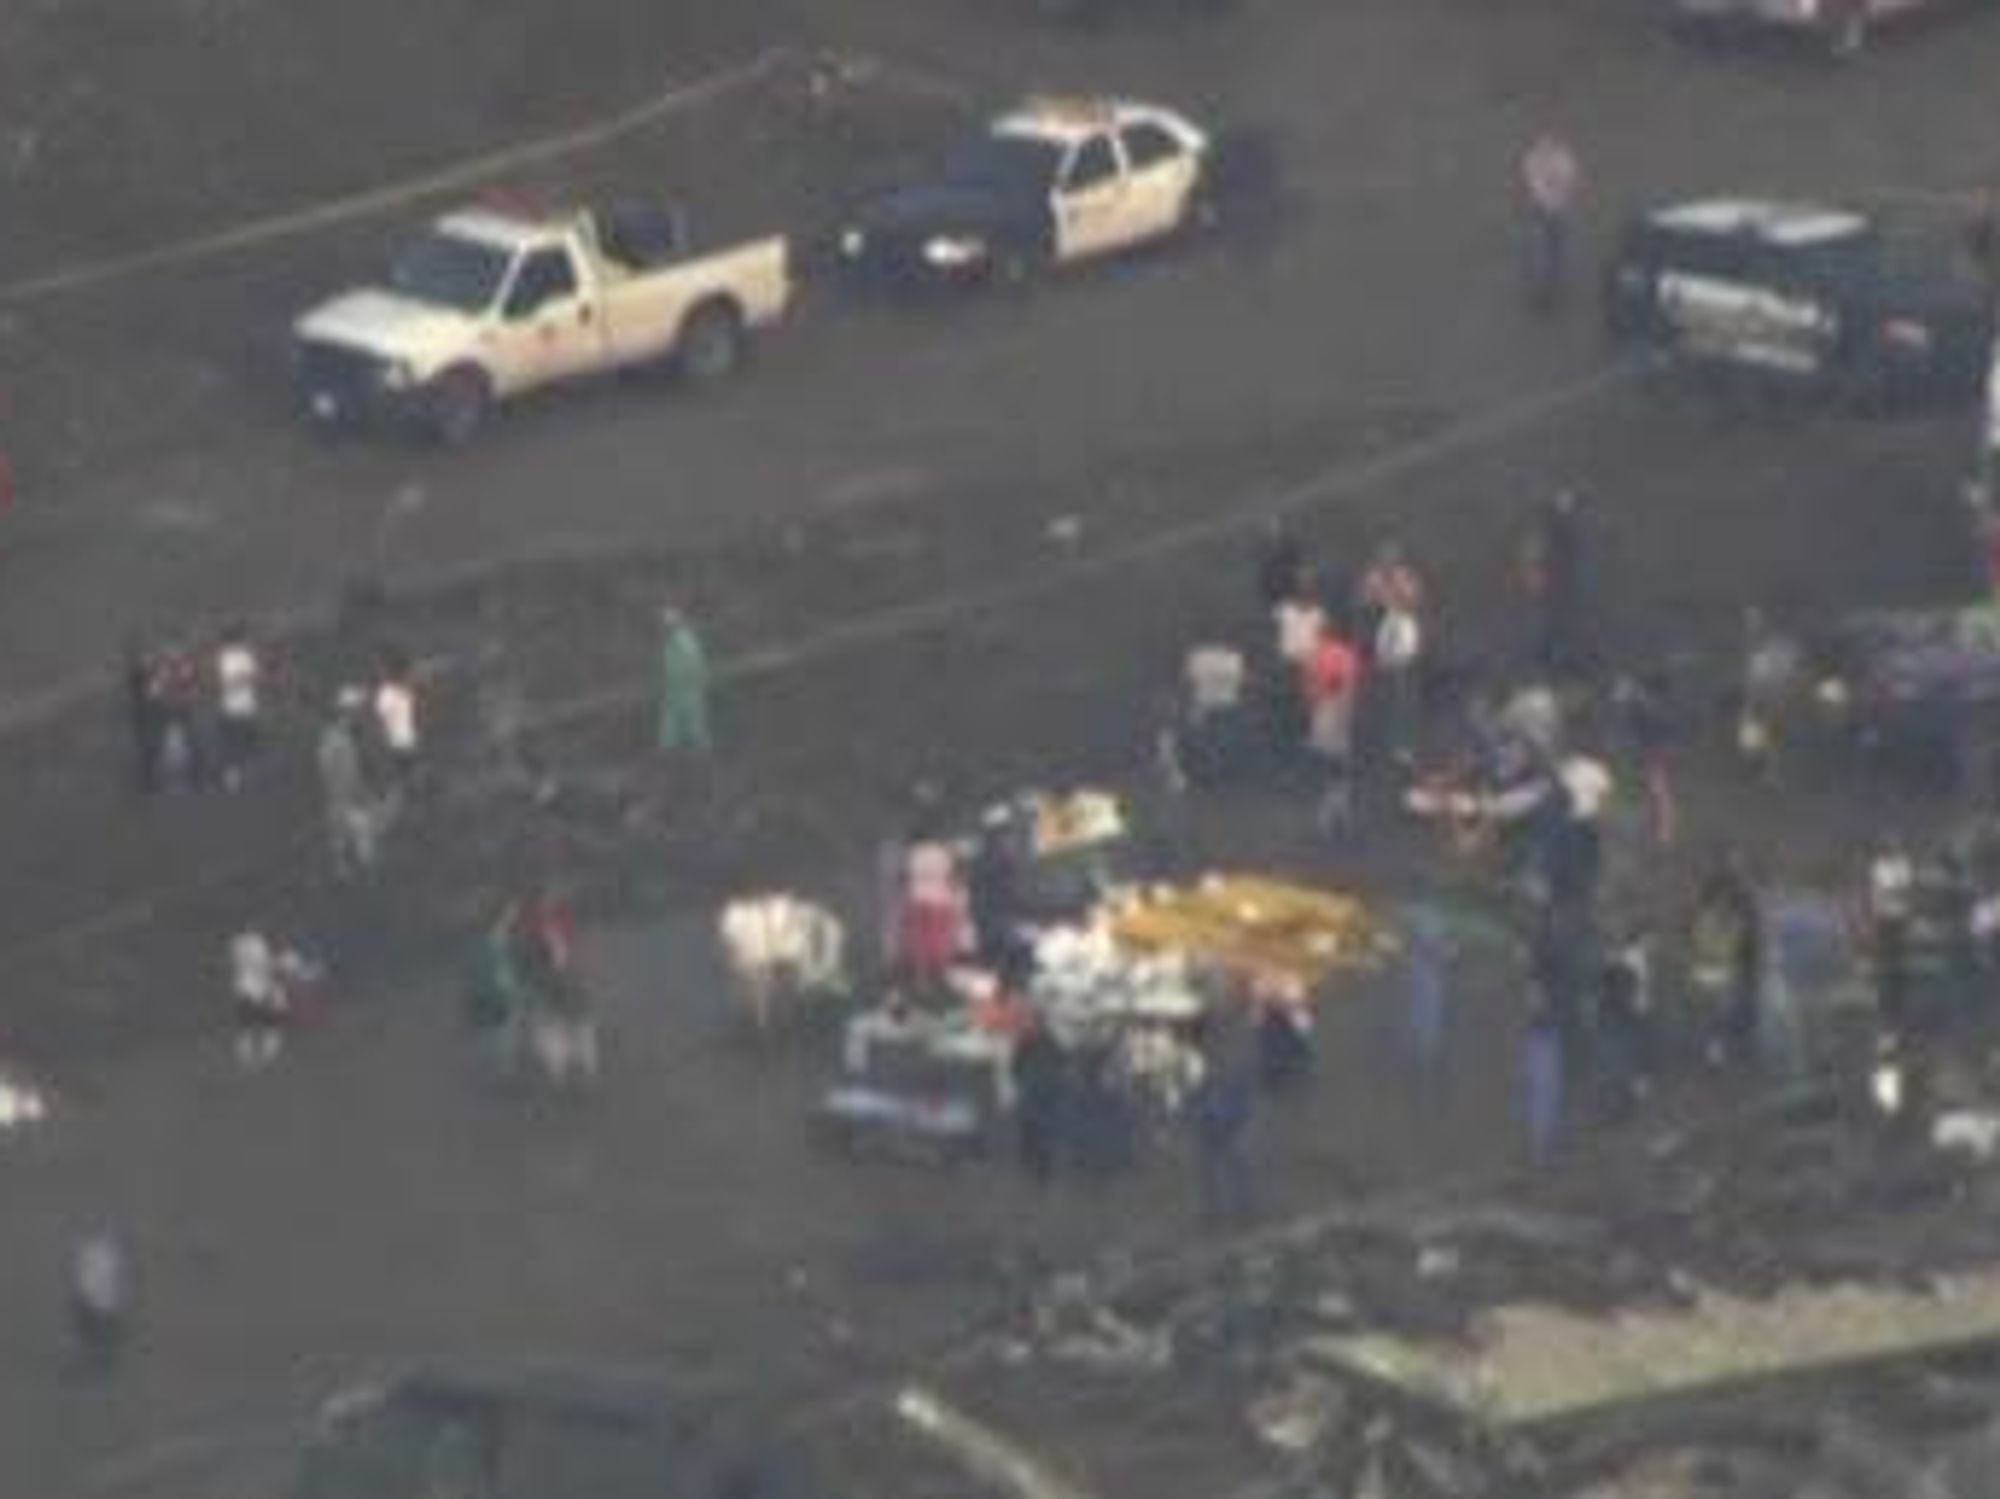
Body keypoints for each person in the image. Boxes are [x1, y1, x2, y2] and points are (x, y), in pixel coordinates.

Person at [1302, 623, 1361, 833]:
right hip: (1335, 713)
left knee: (1331, 766)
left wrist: (1316, 697)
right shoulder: (1345, 655)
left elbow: (1315, 685)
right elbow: (1348, 685)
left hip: (1328, 712)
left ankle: (1333, 814)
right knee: (1338, 767)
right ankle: (1336, 812)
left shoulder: (1318, 655)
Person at [1519, 131, 1581, 315]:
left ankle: (1556, 285)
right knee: (1540, 254)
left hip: (1560, 212)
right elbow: (1535, 186)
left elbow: (1569, 181)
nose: (1545, 149)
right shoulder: (1532, 160)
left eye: (1548, 145)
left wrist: (1554, 188)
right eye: (1542, 145)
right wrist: (1550, 189)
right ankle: (1543, 292)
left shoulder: (1563, 159)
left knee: (1560, 252)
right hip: (1541, 213)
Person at [1189, 1056, 1255, 1225]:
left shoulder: (1237, 1082)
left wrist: (1233, 1124)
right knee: (1207, 1171)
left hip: (1232, 1129)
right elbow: (1194, 1107)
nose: (1215, 1069)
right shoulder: (1203, 1085)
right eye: (1212, 1066)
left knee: (1237, 1164)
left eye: (1218, 1066)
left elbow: (1244, 1109)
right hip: (1209, 1132)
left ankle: (1244, 1208)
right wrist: (1201, 1118)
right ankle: (1211, 1211)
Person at [317, 699, 379, 877]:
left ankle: (364, 861)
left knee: (360, 825)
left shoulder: (347, 737)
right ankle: (344, 864)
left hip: (350, 789)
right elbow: (326, 766)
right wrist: (336, 786)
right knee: (342, 830)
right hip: (340, 792)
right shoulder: (333, 739)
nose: (353, 719)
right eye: (350, 716)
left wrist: (361, 786)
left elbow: (355, 765)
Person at [1525, 491, 1584, 675]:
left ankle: (1556, 656)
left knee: (1559, 621)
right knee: (1545, 622)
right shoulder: (1543, 530)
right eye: (1565, 507)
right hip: (1546, 586)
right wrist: (1536, 580)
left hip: (1559, 584)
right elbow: (1533, 557)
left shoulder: (1563, 530)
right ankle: (1543, 657)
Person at [1011, 1016, 1067, 1187]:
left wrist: (1022, 1080)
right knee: (1040, 1127)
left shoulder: (1028, 1041)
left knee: (1033, 1126)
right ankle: (1038, 1162)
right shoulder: (1049, 1041)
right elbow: (1062, 1062)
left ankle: (1034, 1160)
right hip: (1043, 1089)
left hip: (1037, 1089)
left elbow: (1015, 1067)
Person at [67, 1226, 129, 1376]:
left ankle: (99, 1364)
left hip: (97, 1305)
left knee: (96, 1338)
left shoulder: (97, 1255)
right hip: (99, 1305)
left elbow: (91, 1281)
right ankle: (100, 1364)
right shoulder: (102, 1254)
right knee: (95, 1338)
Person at [655, 604, 713, 756]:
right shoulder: (672, 640)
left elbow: (694, 662)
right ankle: (670, 750)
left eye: (666, 623)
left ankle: (700, 750)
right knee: (672, 720)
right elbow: (670, 664)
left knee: (693, 719)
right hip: (674, 687)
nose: (664, 626)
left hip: (688, 687)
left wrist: (697, 680)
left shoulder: (684, 639)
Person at [212, 622, 263, 791]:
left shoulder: (246, 656)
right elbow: (227, 681)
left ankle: (244, 774)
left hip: (247, 706)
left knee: (248, 742)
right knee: (232, 743)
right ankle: (231, 777)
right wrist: (243, 677)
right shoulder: (225, 658)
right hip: (231, 707)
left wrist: (243, 678)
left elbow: (254, 677)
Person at [229, 926, 289, 1069]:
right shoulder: (248, 943)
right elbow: (262, 965)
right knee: (254, 1021)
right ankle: (251, 1054)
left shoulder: (240, 942)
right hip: (254, 986)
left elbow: (265, 965)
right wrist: (278, 964)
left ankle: (262, 1053)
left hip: (254, 986)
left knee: (263, 1021)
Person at [372, 650, 422, 787]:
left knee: (407, 777)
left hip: (403, 745)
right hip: (400, 746)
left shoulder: (394, 692)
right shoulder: (392, 693)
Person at [124, 638, 166, 796]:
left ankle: (151, 776)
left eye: (149, 656)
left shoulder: (154, 672)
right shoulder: (138, 675)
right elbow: (141, 693)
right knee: (148, 747)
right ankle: (149, 778)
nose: (148, 659)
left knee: (153, 746)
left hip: (152, 713)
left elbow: (159, 691)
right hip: (145, 714)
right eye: (145, 657)